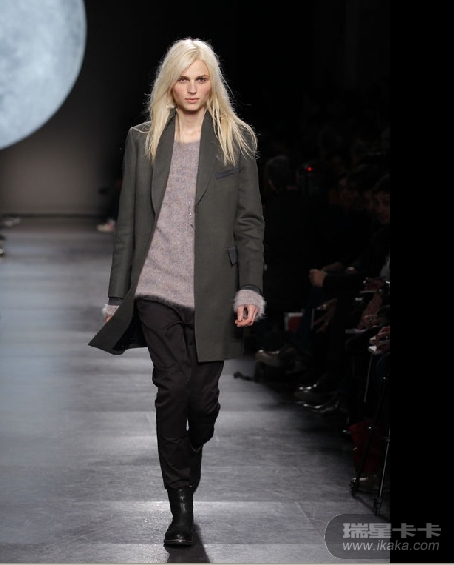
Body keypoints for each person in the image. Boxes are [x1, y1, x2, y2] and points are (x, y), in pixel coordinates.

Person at [88, 38, 265, 547]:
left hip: (214, 290)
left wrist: (249, 286)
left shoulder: (235, 138)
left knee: (202, 401)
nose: (192, 89)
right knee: (172, 389)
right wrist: (118, 295)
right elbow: (128, 222)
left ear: (212, 84)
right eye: (183, 79)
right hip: (156, 286)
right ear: (169, 83)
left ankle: (193, 446)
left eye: (201, 79)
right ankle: (180, 505)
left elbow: (249, 221)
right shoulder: (143, 139)